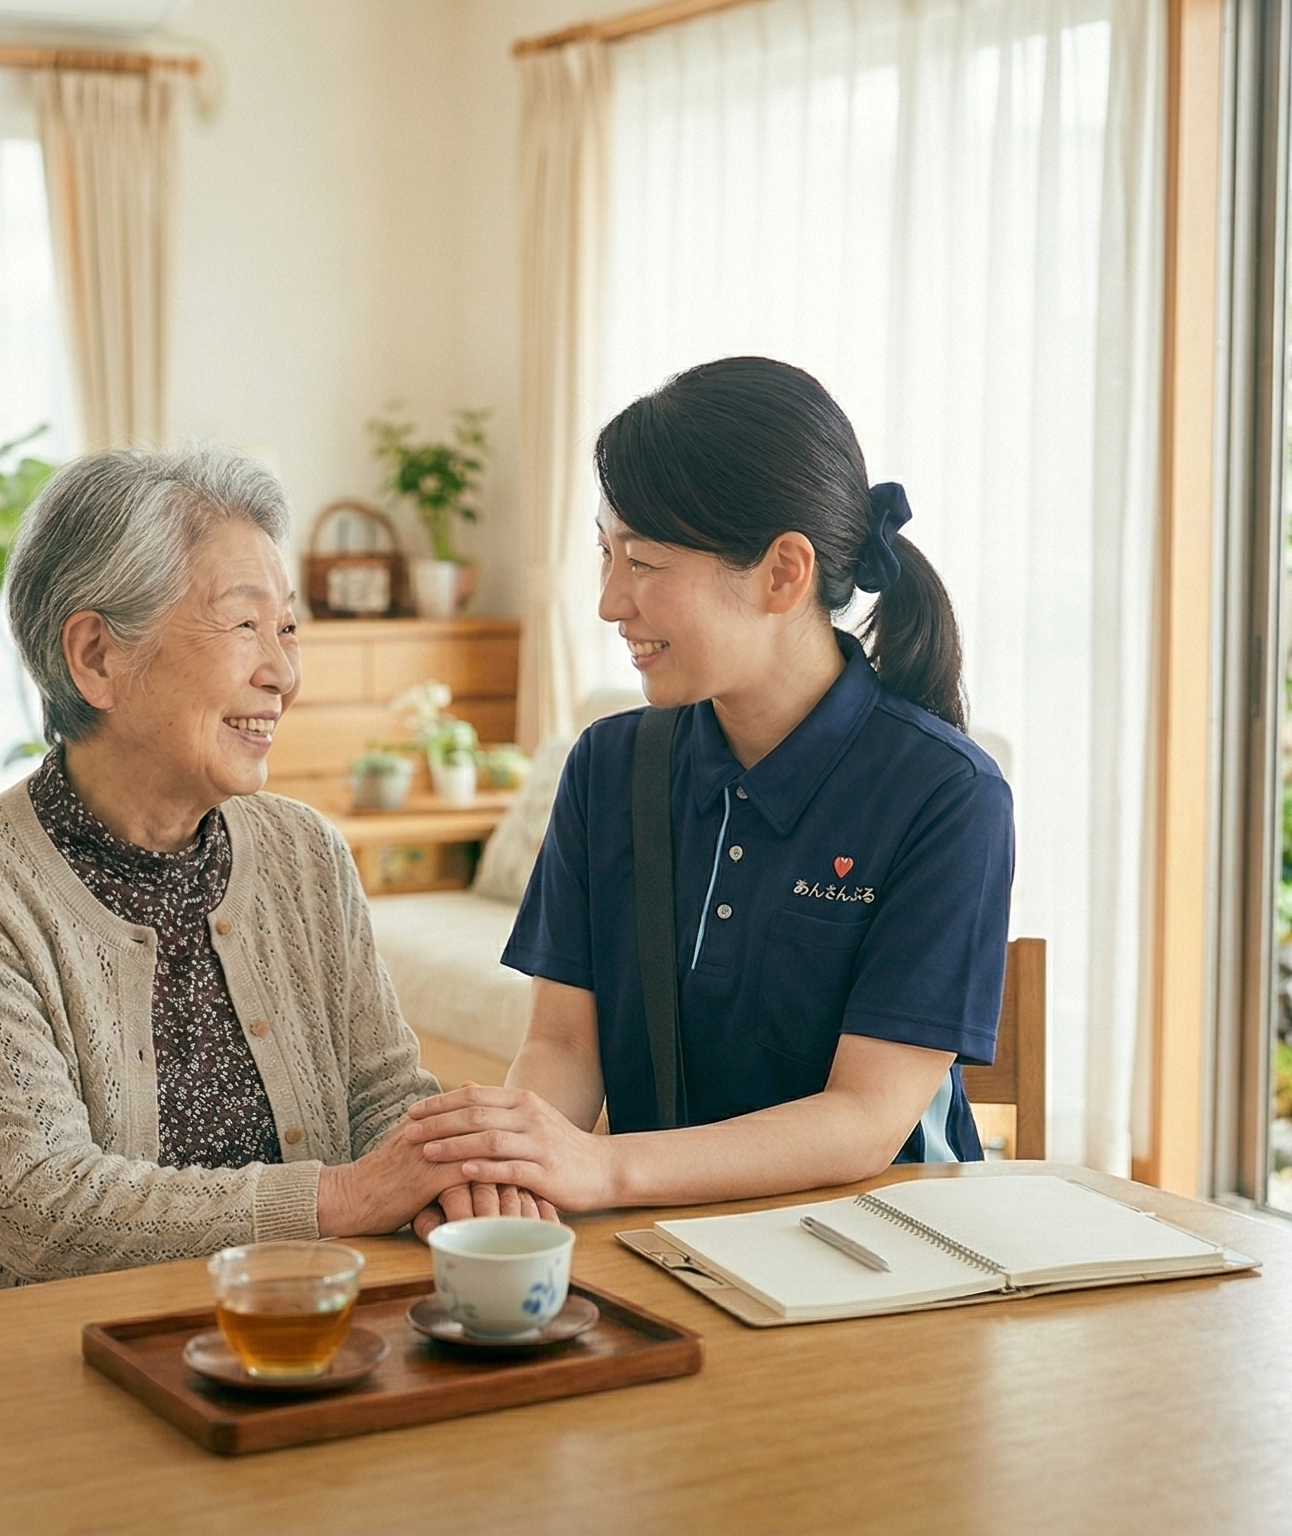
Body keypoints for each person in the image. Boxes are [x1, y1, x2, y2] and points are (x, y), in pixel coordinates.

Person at [0, 444, 493, 1306]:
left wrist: (448, 1172)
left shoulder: (305, 854)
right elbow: (42, 1206)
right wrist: (344, 1197)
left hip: (287, 1334)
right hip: (22, 1364)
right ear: (97, 657)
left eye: (287, 628)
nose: (283, 673)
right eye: (245, 625)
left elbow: (383, 1094)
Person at [407, 357, 1016, 1222]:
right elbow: (563, 1044)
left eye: (646, 561)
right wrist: (515, 1178)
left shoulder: (948, 796)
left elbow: (864, 1121)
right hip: (668, 1243)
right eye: (605, 552)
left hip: (887, 1254)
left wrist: (604, 1170)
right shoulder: (609, 768)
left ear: (782, 573)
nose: (611, 600)